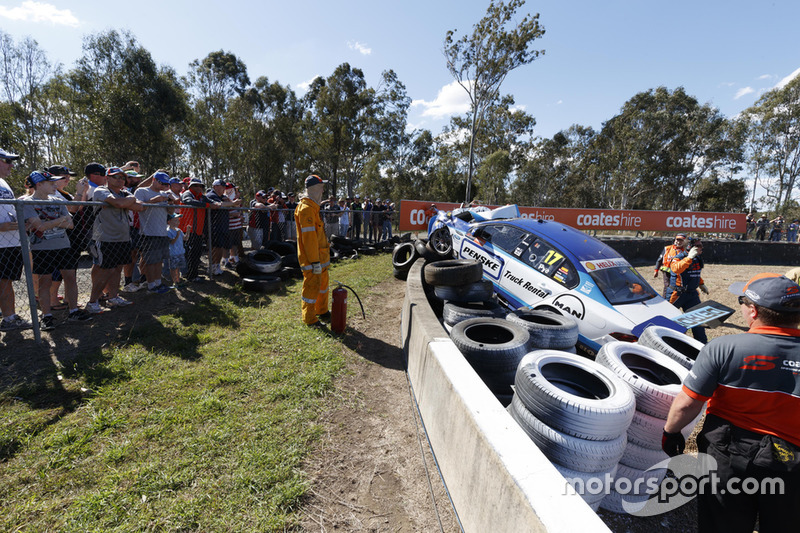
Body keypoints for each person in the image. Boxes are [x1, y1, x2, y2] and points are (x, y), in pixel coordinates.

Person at [662, 273, 800, 533]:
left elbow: (687, 404)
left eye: (742, 301)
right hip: (791, 462)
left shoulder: (723, 347)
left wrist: (670, 433)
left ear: (753, 311)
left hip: (727, 454)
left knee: (722, 524)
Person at [23, 171, 92, 329]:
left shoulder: (57, 200)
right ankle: (47, 316)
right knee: (45, 282)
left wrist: (49, 222)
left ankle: (73, 311)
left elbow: (71, 224)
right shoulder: (27, 203)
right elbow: (39, 226)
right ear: (39, 185)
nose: (55, 185)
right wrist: (60, 220)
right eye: (51, 182)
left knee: (70, 278)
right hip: (42, 248)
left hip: (63, 246)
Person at [85, 167, 145, 313]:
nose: (119, 180)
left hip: (123, 237)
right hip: (105, 237)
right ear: (107, 178)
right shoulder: (101, 190)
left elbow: (140, 207)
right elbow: (119, 204)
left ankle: (113, 296)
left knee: (118, 268)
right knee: (105, 269)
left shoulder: (124, 193)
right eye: (115, 177)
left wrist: (127, 201)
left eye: (122, 178)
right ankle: (93, 302)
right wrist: (129, 200)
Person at [0, 148, 33, 332]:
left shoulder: (3, 182)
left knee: (6, 281)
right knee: (3, 282)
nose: (11, 165)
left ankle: (9, 316)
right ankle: (9, 317)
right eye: (6, 161)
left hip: (11, 241)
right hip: (1, 243)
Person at [295, 175, 331, 328]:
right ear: (314, 188)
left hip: (321, 258)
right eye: (321, 187)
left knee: (323, 284)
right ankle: (310, 318)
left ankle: (321, 311)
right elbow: (309, 239)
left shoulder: (314, 208)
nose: (323, 190)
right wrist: (314, 261)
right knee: (311, 286)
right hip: (312, 260)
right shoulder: (306, 209)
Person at [134, 171, 172, 293]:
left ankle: (158, 283)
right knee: (150, 261)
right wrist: (154, 200)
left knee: (159, 260)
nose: (164, 186)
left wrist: (170, 202)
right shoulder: (142, 191)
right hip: (148, 232)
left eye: (166, 184)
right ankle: (151, 285)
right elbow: (139, 207)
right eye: (162, 183)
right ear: (154, 180)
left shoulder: (164, 194)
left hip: (162, 232)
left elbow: (170, 212)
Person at [666, 238, 708, 343]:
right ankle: (666, 341)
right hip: (677, 294)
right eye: (698, 246)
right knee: (667, 319)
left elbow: (695, 273)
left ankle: (702, 344)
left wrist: (701, 284)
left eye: (701, 245)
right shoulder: (678, 258)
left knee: (698, 320)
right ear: (690, 247)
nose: (701, 248)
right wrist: (689, 257)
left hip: (692, 294)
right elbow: (676, 269)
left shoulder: (697, 259)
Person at [179, 178, 219, 282]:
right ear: (190, 186)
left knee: (196, 253)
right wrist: (207, 205)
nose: (198, 188)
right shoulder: (187, 193)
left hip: (198, 230)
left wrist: (218, 204)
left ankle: (193, 275)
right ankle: (190, 276)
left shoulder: (201, 196)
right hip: (187, 230)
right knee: (190, 254)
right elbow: (187, 201)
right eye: (196, 185)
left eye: (200, 186)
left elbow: (213, 202)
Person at [205, 179, 239, 275]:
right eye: (221, 186)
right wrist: (232, 203)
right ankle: (212, 266)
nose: (223, 188)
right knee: (214, 247)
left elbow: (234, 206)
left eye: (224, 187)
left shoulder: (223, 196)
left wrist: (230, 201)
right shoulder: (211, 195)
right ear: (215, 186)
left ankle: (216, 266)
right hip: (214, 226)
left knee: (220, 247)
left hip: (222, 225)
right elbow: (218, 205)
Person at [653, 233, 687, 298]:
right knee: (667, 286)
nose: (678, 242)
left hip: (678, 273)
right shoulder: (667, 248)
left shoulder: (685, 251)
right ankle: (665, 299)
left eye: (681, 241)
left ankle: (676, 299)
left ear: (684, 242)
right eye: (677, 240)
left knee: (677, 287)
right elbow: (659, 260)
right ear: (674, 240)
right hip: (667, 272)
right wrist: (656, 270)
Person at [166, 213, 186, 288]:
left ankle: (178, 280)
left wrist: (187, 231)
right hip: (173, 253)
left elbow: (185, 238)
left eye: (178, 221)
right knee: (173, 268)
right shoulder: (168, 231)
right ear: (169, 222)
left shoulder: (179, 230)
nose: (177, 222)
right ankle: (175, 281)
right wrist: (177, 235)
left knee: (178, 267)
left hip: (180, 252)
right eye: (175, 220)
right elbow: (172, 242)